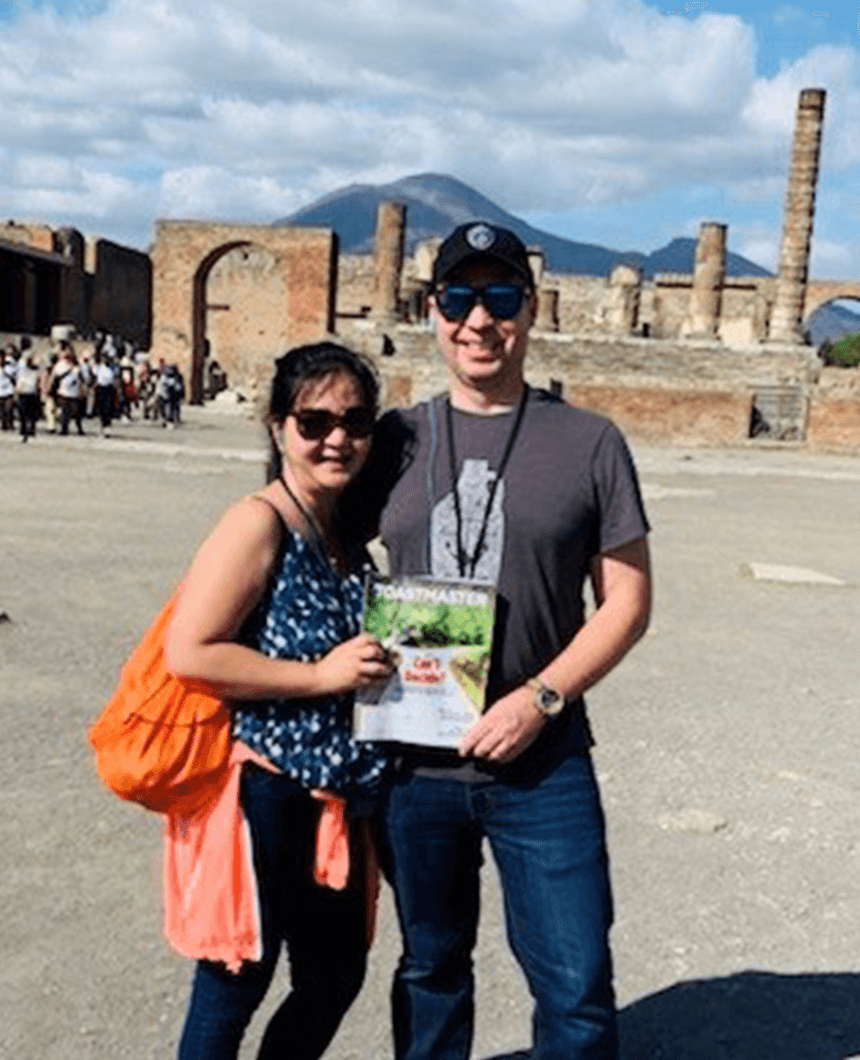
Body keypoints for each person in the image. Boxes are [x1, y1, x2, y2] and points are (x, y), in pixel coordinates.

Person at [362, 222, 653, 1060]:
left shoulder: (589, 442)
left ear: (530, 311)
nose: (477, 320)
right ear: (432, 311)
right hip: (415, 760)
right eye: (459, 298)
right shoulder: (394, 439)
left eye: (498, 299)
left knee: (575, 982)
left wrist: (541, 699)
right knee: (430, 968)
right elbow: (317, 544)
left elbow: (626, 602)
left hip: (543, 762)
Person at [162, 342, 397, 1060]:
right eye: (314, 419)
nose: (337, 438)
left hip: (337, 799)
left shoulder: (344, 536)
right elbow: (190, 651)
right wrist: (319, 678)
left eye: (355, 422)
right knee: (235, 982)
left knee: (333, 977)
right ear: (277, 427)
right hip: (266, 792)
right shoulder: (259, 521)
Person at [14, 354, 43, 442]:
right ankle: (30, 429)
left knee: (25, 414)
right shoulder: (35, 373)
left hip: (25, 394)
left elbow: (19, 383)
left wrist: (17, 392)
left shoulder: (25, 372)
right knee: (30, 414)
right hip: (30, 394)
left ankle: (25, 429)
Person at [0, 349, 18, 432]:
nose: (1, 359)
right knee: (1, 411)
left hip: (9, 391)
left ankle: (10, 424)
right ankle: (4, 424)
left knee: (8, 409)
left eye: (2, 357)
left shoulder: (10, 366)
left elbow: (15, 377)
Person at [93, 353, 119, 435]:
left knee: (108, 408)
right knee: (101, 409)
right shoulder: (99, 367)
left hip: (109, 389)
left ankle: (107, 427)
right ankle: (102, 427)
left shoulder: (112, 368)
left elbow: (115, 379)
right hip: (101, 388)